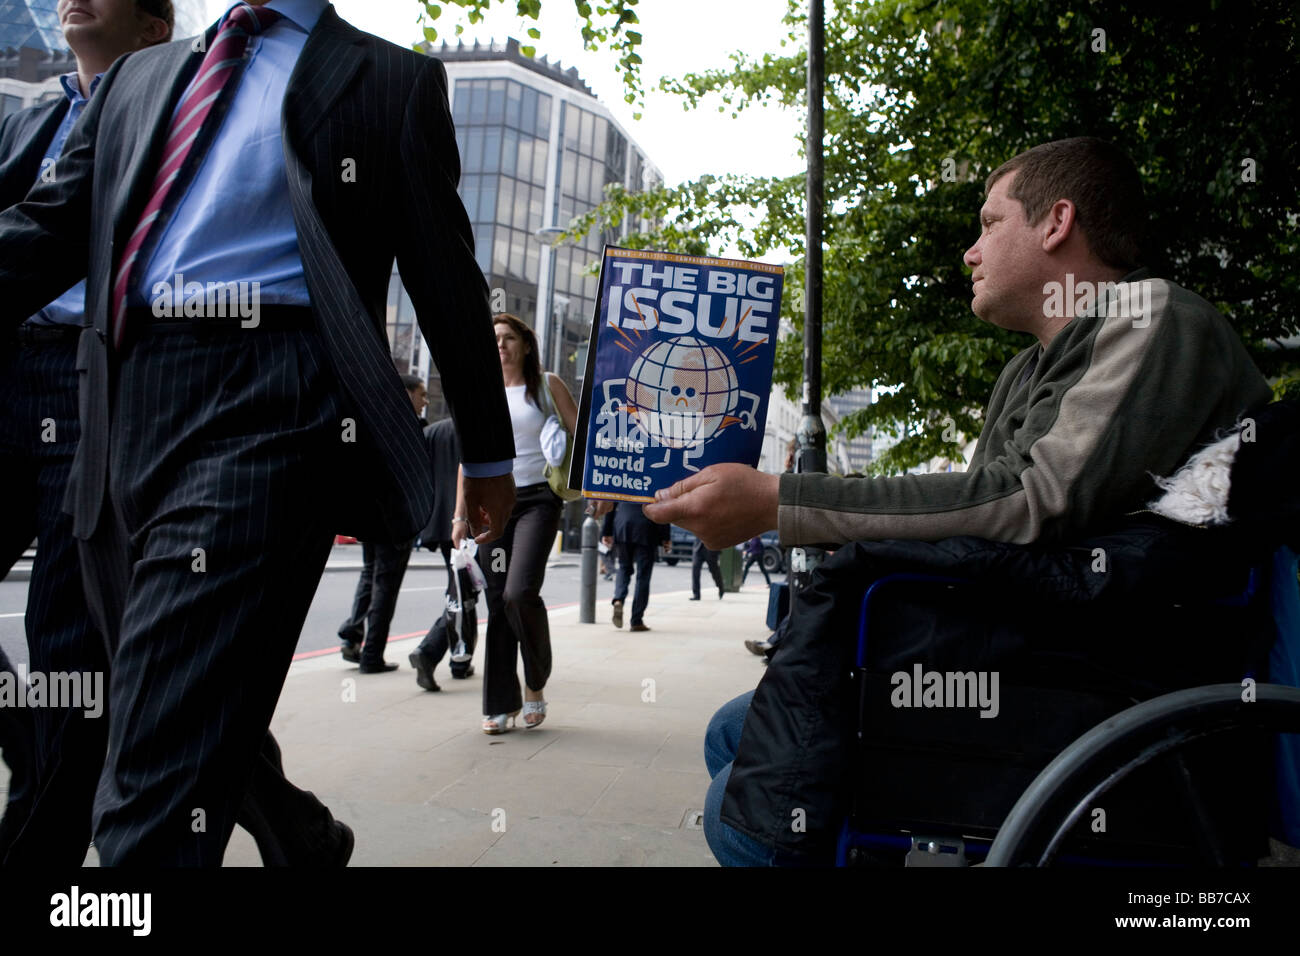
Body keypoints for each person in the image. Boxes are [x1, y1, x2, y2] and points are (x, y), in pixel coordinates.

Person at [0, 0, 516, 865]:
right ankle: (302, 837)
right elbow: (46, 229)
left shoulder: (388, 81)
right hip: (121, 404)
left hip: (271, 397)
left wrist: (487, 453)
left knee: (153, 770)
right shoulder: (138, 79)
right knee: (162, 691)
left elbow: (444, 273)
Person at [666, 138, 1275, 864]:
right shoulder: (1026, 370)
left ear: (1056, 223)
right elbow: (975, 530)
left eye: (989, 223)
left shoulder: (1152, 314)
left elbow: (1026, 501)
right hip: (1040, 658)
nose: (970, 252)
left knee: (737, 805)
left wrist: (781, 501)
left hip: (1114, 681)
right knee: (732, 733)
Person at [0, 0, 170, 867]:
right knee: (67, 693)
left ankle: (37, 850)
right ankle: (43, 755)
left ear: (152, 26)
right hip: (6, 370)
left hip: (94, 383)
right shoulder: (25, 119)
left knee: (67, 648)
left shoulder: (171, 111)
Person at [459, 313, 577, 734]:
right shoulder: (482, 392)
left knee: (518, 591)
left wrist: (598, 491)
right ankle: (498, 704)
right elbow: (469, 459)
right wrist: (461, 514)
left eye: (509, 337)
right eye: (494, 339)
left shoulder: (547, 384)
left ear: (526, 344)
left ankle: (535, 683)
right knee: (496, 600)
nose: (501, 345)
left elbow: (579, 436)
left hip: (538, 501)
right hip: (494, 505)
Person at [338, 373, 430, 673]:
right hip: (396, 519)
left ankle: (352, 636)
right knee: (385, 586)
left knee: (370, 577)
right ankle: (372, 655)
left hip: (373, 515)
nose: (425, 401)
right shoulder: (409, 429)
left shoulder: (373, 421)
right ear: (406, 394)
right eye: (421, 395)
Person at [409, 415, 479, 691]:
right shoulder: (478, 428)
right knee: (464, 592)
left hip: (441, 521)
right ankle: (429, 651)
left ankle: (460, 661)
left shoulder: (433, 432)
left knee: (465, 590)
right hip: (466, 521)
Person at [603, 501, 672, 632]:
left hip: (623, 524)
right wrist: (665, 537)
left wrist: (606, 531)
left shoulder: (624, 479)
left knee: (624, 567)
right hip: (647, 528)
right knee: (643, 576)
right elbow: (663, 507)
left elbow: (610, 502)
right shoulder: (654, 479)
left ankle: (618, 599)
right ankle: (636, 620)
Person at [690, 535, 724, 601]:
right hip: (699, 547)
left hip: (711, 549)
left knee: (714, 571)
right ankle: (696, 594)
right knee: (695, 570)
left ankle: (721, 588)